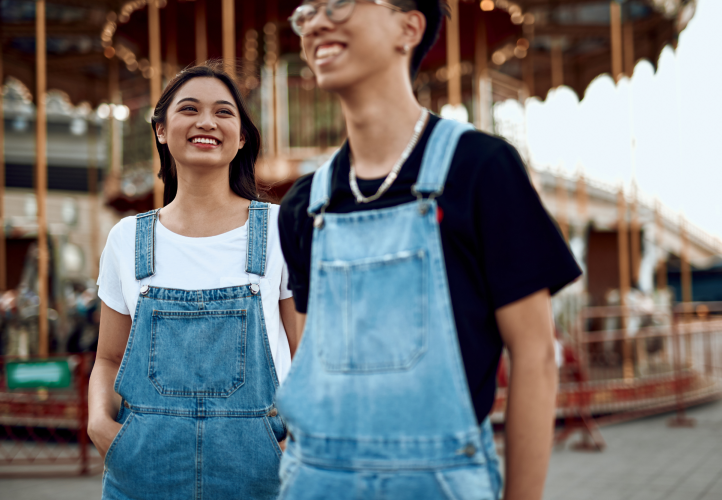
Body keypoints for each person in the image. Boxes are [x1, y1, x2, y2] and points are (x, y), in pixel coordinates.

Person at [275, 1, 582, 499]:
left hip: (441, 480)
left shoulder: (481, 169)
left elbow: (534, 356)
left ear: (409, 27)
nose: (315, 21)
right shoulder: (303, 205)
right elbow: (315, 363)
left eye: (338, 3)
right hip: (316, 479)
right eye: (306, 10)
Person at [88, 63, 297, 500]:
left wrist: (297, 442)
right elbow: (108, 357)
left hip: (262, 470)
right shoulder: (127, 239)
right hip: (142, 469)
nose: (206, 122)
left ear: (241, 137)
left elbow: (310, 354)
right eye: (190, 109)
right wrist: (99, 424)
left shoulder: (281, 230)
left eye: (224, 112)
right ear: (161, 129)